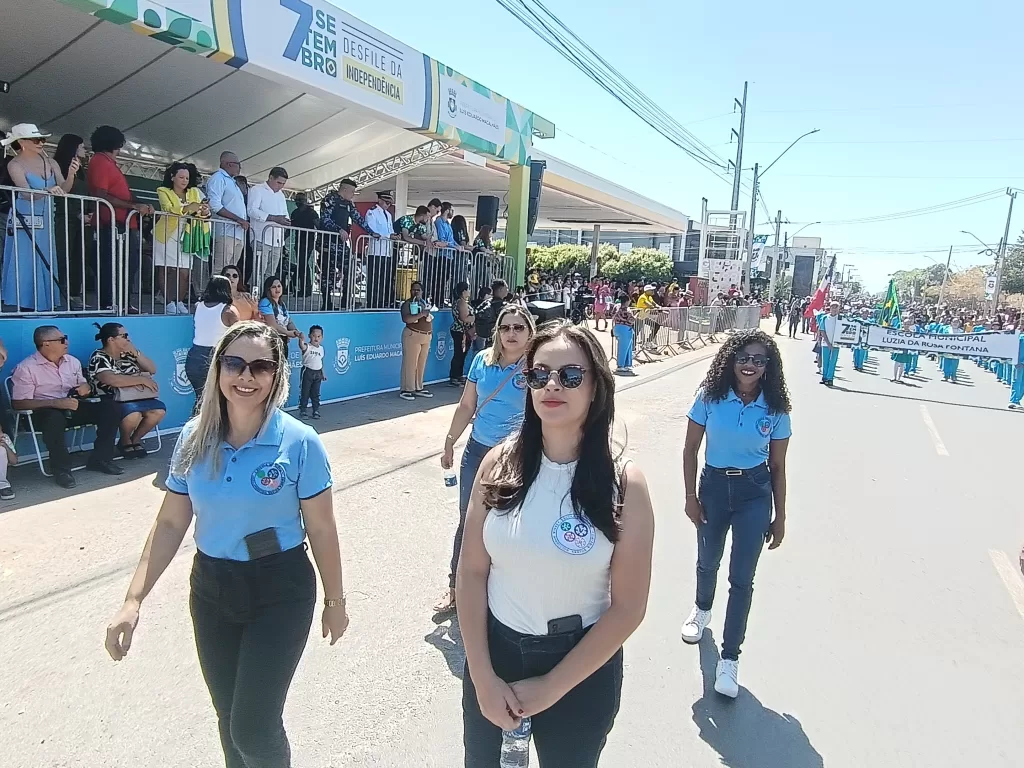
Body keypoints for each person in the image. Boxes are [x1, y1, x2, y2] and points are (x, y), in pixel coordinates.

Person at [104, 321, 348, 768]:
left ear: (277, 375)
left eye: (260, 367)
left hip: (280, 590)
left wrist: (335, 600)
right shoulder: (193, 437)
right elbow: (170, 522)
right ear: (217, 368)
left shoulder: (300, 442)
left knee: (254, 727)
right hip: (212, 588)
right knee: (228, 718)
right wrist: (132, 600)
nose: (245, 376)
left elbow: (322, 529)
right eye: (234, 363)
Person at [458, 321, 654, 765]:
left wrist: (552, 686)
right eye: (539, 374)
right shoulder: (497, 463)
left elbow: (628, 608)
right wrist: (483, 678)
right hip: (496, 655)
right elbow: (471, 572)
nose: (552, 385)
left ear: (596, 387)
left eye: (570, 375)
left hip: (580, 668)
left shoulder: (625, 483)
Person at [681, 329, 791, 698]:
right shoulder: (710, 396)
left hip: (754, 494)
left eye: (759, 360)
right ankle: (702, 609)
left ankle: (729, 659)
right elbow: (690, 449)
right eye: (743, 357)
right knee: (707, 560)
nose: (750, 365)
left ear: (768, 366)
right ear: (731, 360)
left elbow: (778, 466)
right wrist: (690, 497)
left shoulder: (775, 408)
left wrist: (780, 516)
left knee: (742, 579)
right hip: (713, 488)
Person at [437, 303, 536, 614]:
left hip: (517, 455)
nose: (511, 333)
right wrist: (450, 442)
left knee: (512, 521)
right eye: (505, 327)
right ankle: (455, 587)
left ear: (529, 331)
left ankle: (505, 589)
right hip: (478, 451)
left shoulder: (536, 365)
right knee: (468, 520)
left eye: (518, 327)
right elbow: (467, 405)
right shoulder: (482, 360)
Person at [10, 325, 124, 488]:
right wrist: (55, 403)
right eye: (62, 339)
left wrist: (86, 388)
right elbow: (18, 403)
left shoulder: (72, 362)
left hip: (71, 406)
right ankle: (62, 470)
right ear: (46, 343)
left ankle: (101, 460)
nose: (67, 342)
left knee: (110, 408)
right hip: (41, 412)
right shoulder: (26, 368)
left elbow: (84, 385)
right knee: (53, 418)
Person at [2, 123, 77, 312]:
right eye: (36, 139)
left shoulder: (51, 162)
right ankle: (24, 304)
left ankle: (44, 304)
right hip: (24, 216)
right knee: (25, 258)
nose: (41, 143)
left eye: (42, 139)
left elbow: (64, 189)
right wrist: (47, 190)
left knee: (45, 256)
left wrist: (71, 175)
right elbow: (25, 193)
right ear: (22, 142)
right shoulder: (14, 164)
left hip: (46, 217)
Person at [86, 125, 153, 312]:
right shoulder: (100, 161)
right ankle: (110, 303)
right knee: (112, 265)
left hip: (122, 223)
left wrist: (141, 204)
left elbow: (123, 194)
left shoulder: (108, 163)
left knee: (128, 264)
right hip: (111, 223)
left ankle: (123, 302)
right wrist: (133, 206)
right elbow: (101, 194)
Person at [87, 322, 166, 458]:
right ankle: (125, 441)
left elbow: (152, 369)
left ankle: (135, 440)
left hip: (137, 396)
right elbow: (111, 380)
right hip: (112, 398)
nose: (128, 339)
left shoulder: (128, 355)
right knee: (133, 415)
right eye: (124, 336)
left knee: (158, 411)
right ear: (111, 339)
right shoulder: (99, 357)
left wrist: (136, 353)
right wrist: (141, 380)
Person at [156, 162, 210, 314]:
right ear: (172, 177)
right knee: (166, 269)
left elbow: (199, 212)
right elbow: (167, 208)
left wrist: (204, 212)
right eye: (181, 177)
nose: (184, 180)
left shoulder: (194, 191)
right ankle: (168, 303)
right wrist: (187, 207)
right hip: (167, 234)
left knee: (185, 272)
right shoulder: (163, 190)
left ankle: (179, 301)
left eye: (187, 177)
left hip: (187, 234)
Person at [186, 276, 241, 408]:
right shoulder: (229, 310)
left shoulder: (197, 306)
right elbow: (240, 335)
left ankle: (197, 421)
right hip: (215, 356)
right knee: (216, 402)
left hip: (194, 357)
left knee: (201, 400)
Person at [52, 133, 89, 309]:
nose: (85, 149)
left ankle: (74, 293)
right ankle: (57, 292)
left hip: (80, 219)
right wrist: (77, 214)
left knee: (79, 257)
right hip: (64, 217)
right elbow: (62, 194)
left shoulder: (81, 169)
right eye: (81, 146)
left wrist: (88, 213)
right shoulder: (59, 165)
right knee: (62, 255)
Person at [205, 151, 249, 274]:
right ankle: (217, 288)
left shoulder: (232, 181)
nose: (240, 168)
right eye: (238, 164)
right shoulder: (218, 178)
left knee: (231, 270)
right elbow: (214, 205)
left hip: (237, 233)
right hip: (225, 232)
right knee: (221, 269)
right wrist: (238, 219)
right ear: (229, 164)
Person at [247, 167, 290, 282]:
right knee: (259, 271)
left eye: (283, 184)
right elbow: (251, 210)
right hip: (261, 237)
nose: (281, 186)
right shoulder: (257, 190)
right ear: (270, 178)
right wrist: (273, 218)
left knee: (271, 273)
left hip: (277, 240)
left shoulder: (281, 195)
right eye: (279, 182)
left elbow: (285, 214)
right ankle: (256, 293)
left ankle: (267, 293)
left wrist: (287, 222)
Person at [399, 281, 434, 402]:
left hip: (425, 336)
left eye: (418, 290)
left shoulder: (423, 303)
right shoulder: (407, 304)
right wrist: (422, 314)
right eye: (414, 289)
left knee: (420, 364)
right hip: (412, 335)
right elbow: (406, 319)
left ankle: (418, 387)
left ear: (422, 291)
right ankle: (406, 389)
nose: (416, 292)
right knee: (410, 364)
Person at [362, 190, 396, 309]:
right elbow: (372, 231)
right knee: (374, 280)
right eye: (386, 202)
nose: (388, 205)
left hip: (387, 252)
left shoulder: (388, 215)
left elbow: (390, 230)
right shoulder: (372, 212)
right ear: (379, 200)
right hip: (376, 251)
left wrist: (394, 236)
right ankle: (372, 304)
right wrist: (389, 236)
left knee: (384, 280)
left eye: (389, 203)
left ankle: (381, 303)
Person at [289, 192, 321, 301]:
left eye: (301, 200)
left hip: (309, 241)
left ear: (305, 201)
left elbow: (318, 226)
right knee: (302, 264)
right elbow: (290, 227)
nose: (298, 202)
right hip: (298, 241)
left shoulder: (312, 213)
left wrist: (320, 241)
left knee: (302, 263)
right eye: (297, 200)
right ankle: (304, 288)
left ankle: (306, 289)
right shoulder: (295, 213)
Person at [259, 276, 303, 350]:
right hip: (271, 342)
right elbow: (273, 325)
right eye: (274, 287)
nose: (277, 289)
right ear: (268, 289)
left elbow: (289, 322)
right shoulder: (265, 302)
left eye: (279, 286)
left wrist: (296, 332)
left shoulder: (282, 304)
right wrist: (287, 333)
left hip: (282, 341)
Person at [298, 324, 326, 419]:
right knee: (305, 392)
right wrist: (301, 339)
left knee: (316, 393)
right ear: (309, 336)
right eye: (314, 336)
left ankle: (316, 410)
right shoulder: (307, 346)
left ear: (322, 337)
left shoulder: (321, 349)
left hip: (318, 373)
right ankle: (303, 410)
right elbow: (302, 346)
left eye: (318, 336)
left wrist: (323, 373)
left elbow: (320, 361)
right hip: (307, 372)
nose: (316, 338)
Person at [449, 281, 474, 386]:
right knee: (459, 354)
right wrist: (475, 317)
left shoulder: (462, 302)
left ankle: (458, 375)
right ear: (463, 291)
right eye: (468, 289)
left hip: (463, 331)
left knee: (462, 354)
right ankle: (454, 376)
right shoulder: (461, 302)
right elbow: (464, 318)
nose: (469, 292)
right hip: (460, 331)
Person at [473, 280, 510, 350]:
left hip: (482, 337)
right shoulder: (503, 306)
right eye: (506, 288)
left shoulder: (486, 303)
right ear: (501, 289)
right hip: (496, 339)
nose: (508, 290)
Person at [817, 301, 842, 386]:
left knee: (833, 361)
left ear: (838, 309)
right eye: (833, 307)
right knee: (825, 361)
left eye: (836, 307)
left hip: (836, 344)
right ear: (830, 308)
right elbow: (822, 330)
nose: (834, 309)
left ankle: (830, 378)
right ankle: (824, 377)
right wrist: (828, 343)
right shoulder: (824, 318)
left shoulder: (841, 318)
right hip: (826, 343)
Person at [612, 295, 636, 374]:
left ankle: (627, 364)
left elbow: (612, 315)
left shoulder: (617, 307)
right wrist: (637, 315)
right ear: (627, 301)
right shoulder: (628, 311)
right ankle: (620, 365)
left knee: (627, 347)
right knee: (624, 348)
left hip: (617, 328)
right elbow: (632, 320)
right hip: (625, 329)